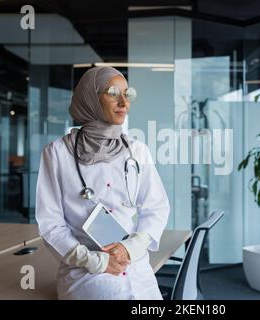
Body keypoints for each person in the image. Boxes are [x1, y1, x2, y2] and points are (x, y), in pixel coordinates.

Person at [35, 66, 170, 300]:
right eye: (113, 93)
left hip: (135, 265)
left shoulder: (137, 151)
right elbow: (50, 223)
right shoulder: (57, 154)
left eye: (128, 94)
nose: (123, 102)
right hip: (86, 271)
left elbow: (156, 208)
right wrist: (94, 260)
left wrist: (132, 247)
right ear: (90, 98)